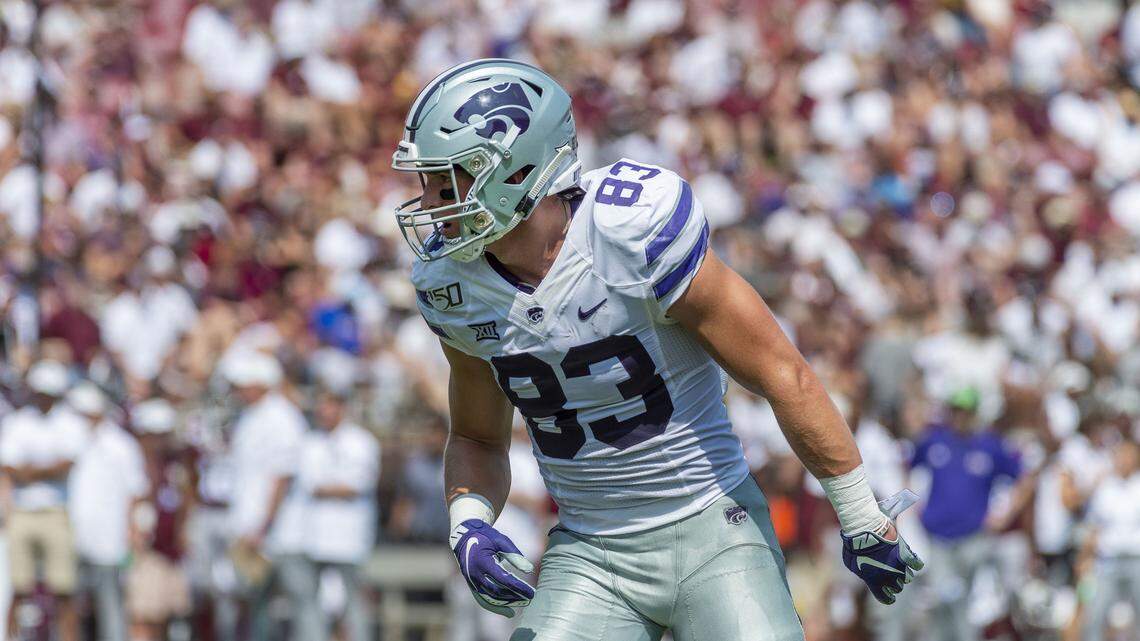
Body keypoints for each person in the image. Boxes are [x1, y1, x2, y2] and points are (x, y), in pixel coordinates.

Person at [392, 59, 923, 641]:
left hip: (714, 527)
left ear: (518, 170)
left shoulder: (627, 228)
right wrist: (468, 524)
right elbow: (476, 437)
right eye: (426, 183)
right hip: (591, 552)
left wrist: (860, 514)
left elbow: (781, 373)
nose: (431, 203)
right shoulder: (454, 284)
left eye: (448, 181)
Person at [909, 388, 1027, 641]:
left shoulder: (989, 445)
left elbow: (1024, 476)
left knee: (967, 603)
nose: (960, 417)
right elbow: (907, 464)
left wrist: (1006, 514)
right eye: (956, 411)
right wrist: (912, 503)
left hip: (974, 538)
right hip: (938, 537)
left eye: (965, 412)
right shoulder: (934, 441)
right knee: (941, 599)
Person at [223, 353, 320, 641]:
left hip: (282, 532)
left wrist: (263, 526)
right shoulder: (250, 416)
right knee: (256, 606)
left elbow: (283, 476)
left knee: (302, 601)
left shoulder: (282, 417)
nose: (239, 390)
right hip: (255, 532)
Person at [0, 360, 87, 641]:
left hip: (56, 511)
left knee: (64, 590)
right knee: (18, 588)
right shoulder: (18, 422)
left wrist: (30, 471)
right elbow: (10, 466)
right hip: (22, 512)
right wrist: (45, 469)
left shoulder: (69, 422)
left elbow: (66, 464)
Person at [66, 382, 147, 641]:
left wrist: (133, 532)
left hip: (109, 540)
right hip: (77, 538)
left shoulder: (121, 445)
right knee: (74, 608)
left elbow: (136, 493)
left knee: (110, 605)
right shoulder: (73, 441)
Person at [298, 387, 380, 641]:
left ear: (341, 408)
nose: (323, 411)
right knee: (314, 604)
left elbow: (358, 485)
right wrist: (337, 488)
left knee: (354, 603)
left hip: (350, 538)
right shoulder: (310, 442)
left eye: (329, 405)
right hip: (314, 538)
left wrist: (330, 488)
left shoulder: (361, 441)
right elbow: (310, 484)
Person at [1081, 439, 1140, 641]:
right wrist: (1085, 558)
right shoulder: (1105, 487)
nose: (1124, 460)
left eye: (1129, 455)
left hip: (1136, 559)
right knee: (1094, 615)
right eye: (1121, 455)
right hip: (1108, 560)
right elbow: (1093, 525)